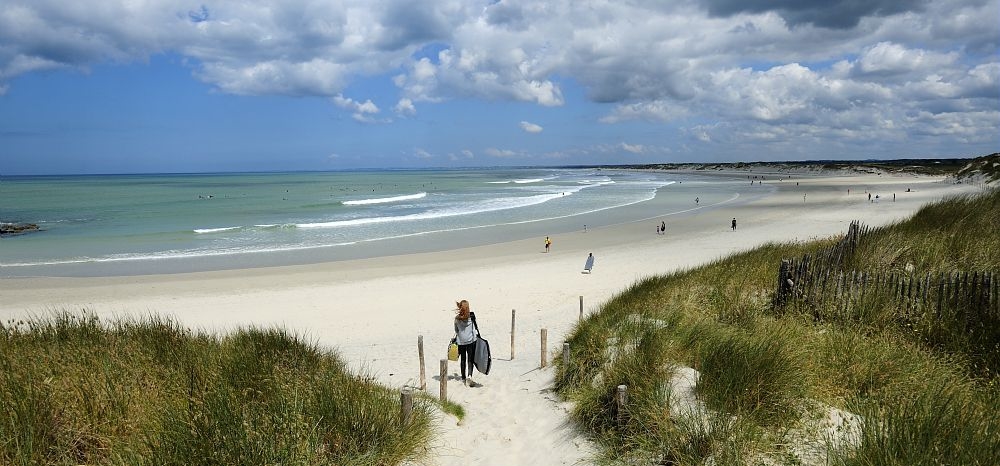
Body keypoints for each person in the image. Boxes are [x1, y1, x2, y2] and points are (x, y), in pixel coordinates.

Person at [453, 300, 478, 386]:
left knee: (463, 359)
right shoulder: (471, 316)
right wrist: (475, 339)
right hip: (471, 341)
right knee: (470, 359)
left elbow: (456, 330)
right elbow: (474, 329)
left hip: (461, 341)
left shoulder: (456, 318)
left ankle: (463, 377)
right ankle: (469, 376)